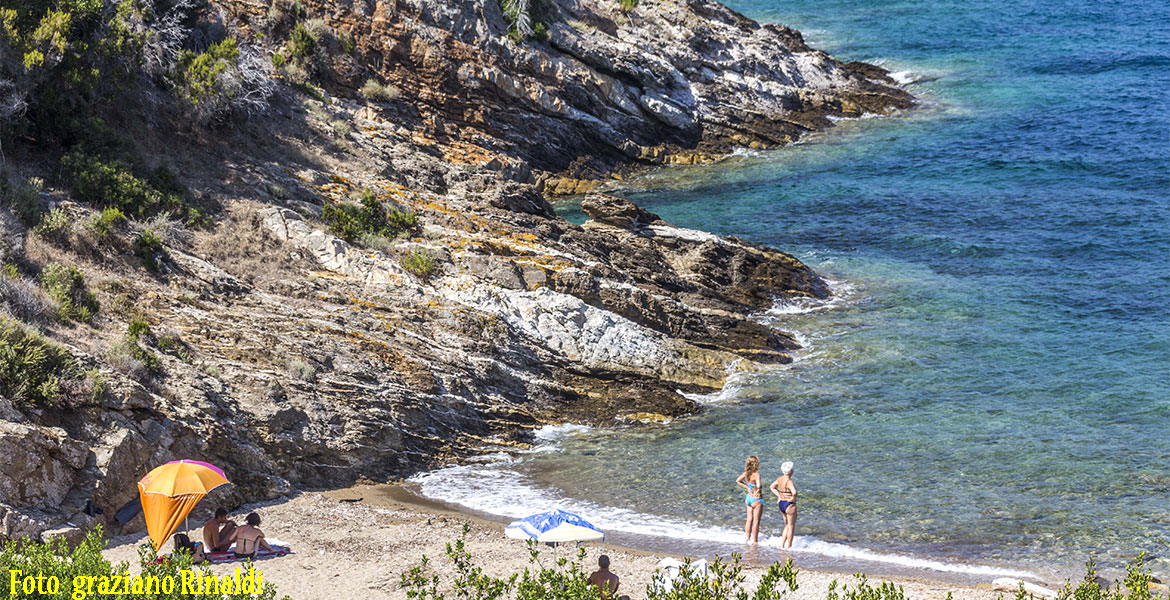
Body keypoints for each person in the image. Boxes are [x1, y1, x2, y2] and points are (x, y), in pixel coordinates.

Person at [770, 461, 798, 548]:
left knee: (786, 525)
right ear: (792, 471)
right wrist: (793, 498)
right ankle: (789, 546)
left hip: (781, 503)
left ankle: (782, 545)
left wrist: (779, 496)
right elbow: (794, 492)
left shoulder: (779, 479)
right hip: (789, 504)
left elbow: (772, 487)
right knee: (791, 526)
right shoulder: (789, 481)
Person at [735, 455, 763, 543]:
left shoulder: (746, 474)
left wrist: (747, 487)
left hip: (748, 498)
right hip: (756, 499)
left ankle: (748, 538)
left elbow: (738, 480)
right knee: (756, 521)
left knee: (749, 519)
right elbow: (759, 485)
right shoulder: (756, 474)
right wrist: (758, 490)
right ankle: (755, 541)